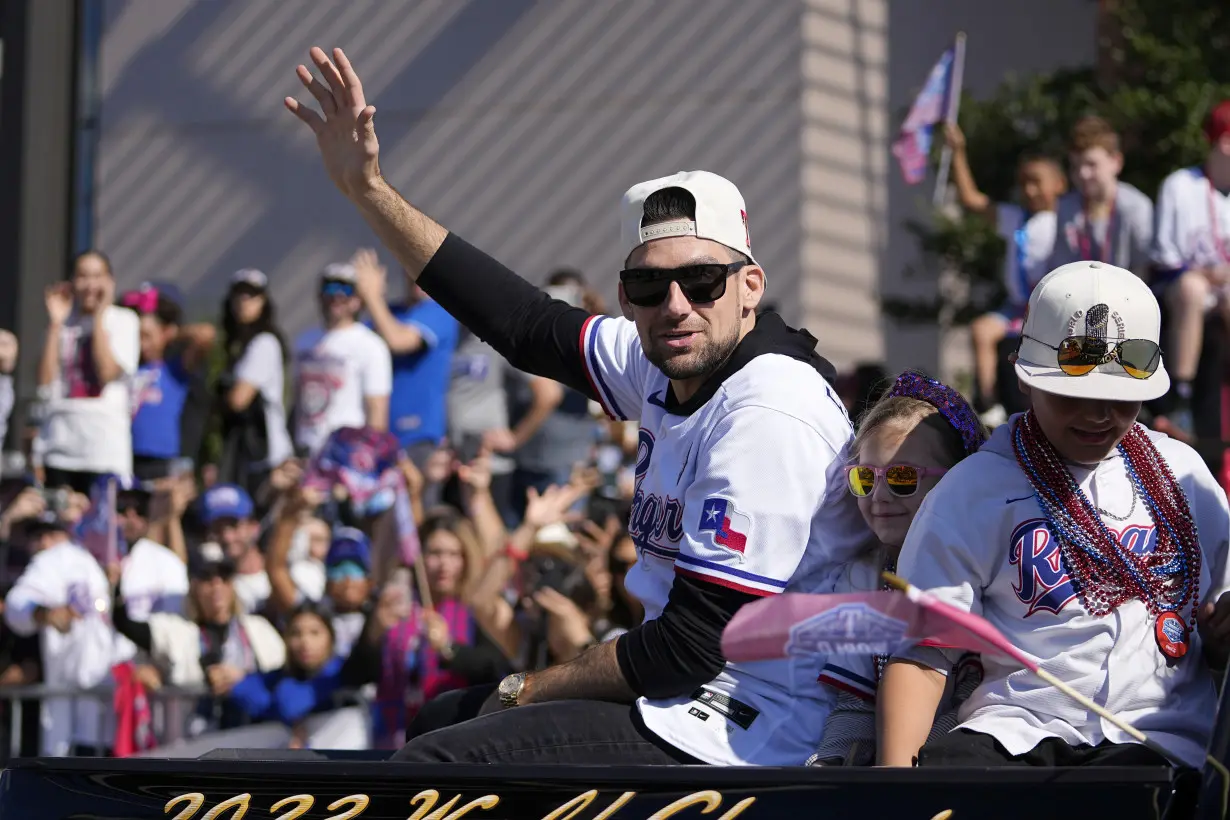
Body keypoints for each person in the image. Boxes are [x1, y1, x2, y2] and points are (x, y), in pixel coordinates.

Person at [285, 47, 872, 766]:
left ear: (751, 285)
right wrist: (368, 189)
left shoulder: (769, 410)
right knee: (437, 717)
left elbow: (688, 647)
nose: (677, 306)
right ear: (626, 298)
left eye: (703, 281)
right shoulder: (671, 357)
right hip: (685, 695)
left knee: (438, 765)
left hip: (751, 725)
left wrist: (524, 687)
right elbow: (524, 323)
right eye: (651, 288)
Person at [877, 260, 1230, 769]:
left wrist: (1219, 640)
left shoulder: (1184, 474)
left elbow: (1217, 619)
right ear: (1024, 377)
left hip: (1166, 746)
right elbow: (923, 653)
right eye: (1074, 393)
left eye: (1120, 397)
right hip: (1019, 740)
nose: (1098, 413)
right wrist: (894, 798)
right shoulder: (973, 489)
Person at [810, 371, 987, 766]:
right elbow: (855, 703)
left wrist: (916, 765)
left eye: (903, 478)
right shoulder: (860, 582)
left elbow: (973, 702)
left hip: (964, 763)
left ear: (959, 480)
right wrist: (835, 765)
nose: (879, 496)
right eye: (865, 478)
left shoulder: (984, 579)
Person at [943, 123, 1066, 426]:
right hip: (1015, 307)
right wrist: (958, 151)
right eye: (1024, 183)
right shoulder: (1015, 218)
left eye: (1037, 182)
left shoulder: (1067, 220)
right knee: (982, 330)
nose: (1029, 190)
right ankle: (987, 403)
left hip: (1047, 307)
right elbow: (971, 199)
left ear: (1059, 184)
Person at [1149, 100, 1230, 441]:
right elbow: (1165, 257)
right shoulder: (1180, 185)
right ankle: (1180, 395)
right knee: (1192, 288)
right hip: (1182, 287)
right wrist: (1210, 272)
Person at [37, 250, 140, 490]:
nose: (90, 284)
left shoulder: (124, 320)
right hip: (59, 446)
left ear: (110, 281)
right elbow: (44, 382)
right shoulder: (63, 324)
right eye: (82, 276)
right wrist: (55, 322)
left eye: (97, 276)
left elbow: (107, 372)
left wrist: (98, 316)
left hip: (103, 449)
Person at [352, 247, 459, 468]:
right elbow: (353, 349)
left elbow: (399, 341)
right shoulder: (388, 312)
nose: (419, 278)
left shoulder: (439, 311)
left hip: (417, 440)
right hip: (378, 436)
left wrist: (372, 297)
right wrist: (356, 301)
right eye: (413, 268)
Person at [292, 262, 393, 457]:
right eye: (329, 287)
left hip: (345, 452)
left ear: (357, 299)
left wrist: (367, 458)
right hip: (306, 450)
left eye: (345, 289)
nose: (336, 296)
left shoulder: (371, 345)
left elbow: (377, 409)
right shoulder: (304, 341)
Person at [124, 284, 216, 481]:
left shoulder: (173, 367)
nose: (142, 343)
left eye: (147, 335)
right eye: (137, 335)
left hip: (162, 460)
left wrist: (172, 333)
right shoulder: (127, 366)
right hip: (126, 455)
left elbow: (206, 335)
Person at [217, 269, 294, 502]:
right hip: (248, 456)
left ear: (264, 302)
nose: (244, 302)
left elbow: (238, 399)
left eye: (252, 296)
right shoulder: (235, 345)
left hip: (266, 457)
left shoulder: (264, 342)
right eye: (239, 295)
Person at [1047, 115, 1154, 279]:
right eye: (1075, 166)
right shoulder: (1066, 207)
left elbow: (1143, 270)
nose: (1083, 174)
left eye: (1091, 164)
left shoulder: (1136, 207)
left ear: (1116, 162)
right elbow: (1061, 269)